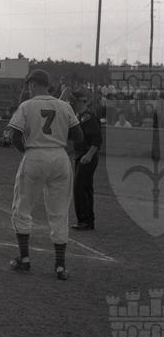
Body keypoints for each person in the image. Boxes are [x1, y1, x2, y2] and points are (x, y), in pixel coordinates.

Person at [7, 69, 83, 281]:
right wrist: (60, 136)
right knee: (59, 213)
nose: (28, 88)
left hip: (35, 155)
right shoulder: (64, 106)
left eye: (29, 85)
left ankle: (24, 259)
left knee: (22, 208)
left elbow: (14, 136)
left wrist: (27, 152)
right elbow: (78, 135)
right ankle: (60, 267)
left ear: (33, 84)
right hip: (60, 157)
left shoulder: (27, 105)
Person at [71, 91, 102, 231]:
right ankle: (86, 220)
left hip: (86, 156)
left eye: (75, 102)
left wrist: (89, 155)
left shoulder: (89, 118)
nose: (74, 105)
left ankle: (85, 220)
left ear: (81, 102)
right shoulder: (79, 117)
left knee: (80, 188)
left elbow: (97, 139)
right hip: (80, 155)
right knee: (84, 188)